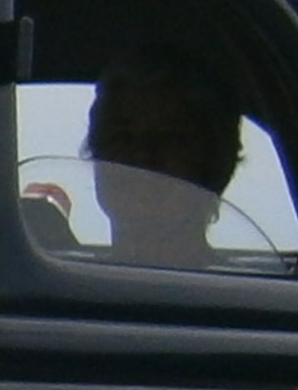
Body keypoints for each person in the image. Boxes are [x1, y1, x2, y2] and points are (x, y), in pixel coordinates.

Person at [81, 47, 246, 267]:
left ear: (217, 164)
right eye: (122, 137)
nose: (142, 157)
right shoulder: (60, 292)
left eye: (171, 138)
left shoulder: (245, 299)